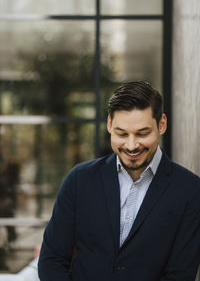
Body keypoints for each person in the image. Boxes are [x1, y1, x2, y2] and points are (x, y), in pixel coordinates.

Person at [38, 81, 200, 281]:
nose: (131, 145)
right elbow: (51, 260)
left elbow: (180, 274)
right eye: (122, 134)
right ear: (109, 125)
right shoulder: (79, 180)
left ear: (162, 124)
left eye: (142, 133)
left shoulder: (190, 190)